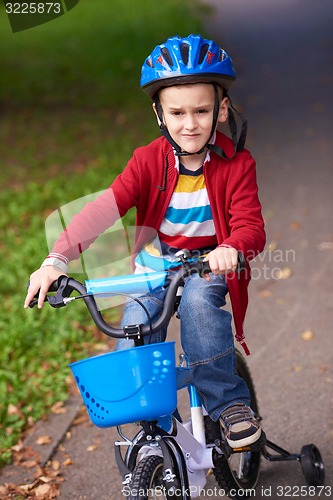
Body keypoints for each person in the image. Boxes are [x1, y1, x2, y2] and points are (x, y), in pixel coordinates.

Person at [25, 34, 265, 448]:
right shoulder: (147, 161)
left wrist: (231, 249)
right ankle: (154, 419)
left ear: (221, 110)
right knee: (135, 326)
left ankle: (228, 404)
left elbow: (250, 226)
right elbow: (102, 210)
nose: (190, 123)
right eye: (177, 112)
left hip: (207, 263)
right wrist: (56, 259)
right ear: (159, 113)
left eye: (202, 111)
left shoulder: (237, 164)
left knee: (197, 305)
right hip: (157, 264)